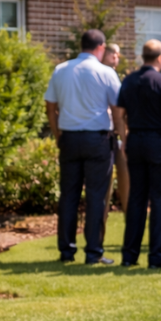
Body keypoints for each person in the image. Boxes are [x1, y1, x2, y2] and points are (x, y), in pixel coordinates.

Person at [45, 29, 121, 265]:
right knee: (96, 196)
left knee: (68, 195)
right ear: (100, 47)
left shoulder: (61, 70)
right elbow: (118, 107)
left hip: (69, 137)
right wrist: (120, 133)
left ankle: (66, 250)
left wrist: (58, 134)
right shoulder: (105, 72)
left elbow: (50, 107)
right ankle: (93, 252)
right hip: (97, 139)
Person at [112, 39, 161, 270]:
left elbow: (119, 113)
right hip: (159, 142)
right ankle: (157, 257)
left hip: (136, 143)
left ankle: (129, 255)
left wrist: (124, 138)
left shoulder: (129, 80)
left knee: (136, 199)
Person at [101, 43, 130, 228]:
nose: (116, 59)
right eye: (115, 54)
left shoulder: (113, 75)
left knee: (126, 182)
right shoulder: (104, 74)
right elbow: (118, 108)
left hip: (114, 134)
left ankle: (132, 227)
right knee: (106, 187)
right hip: (107, 134)